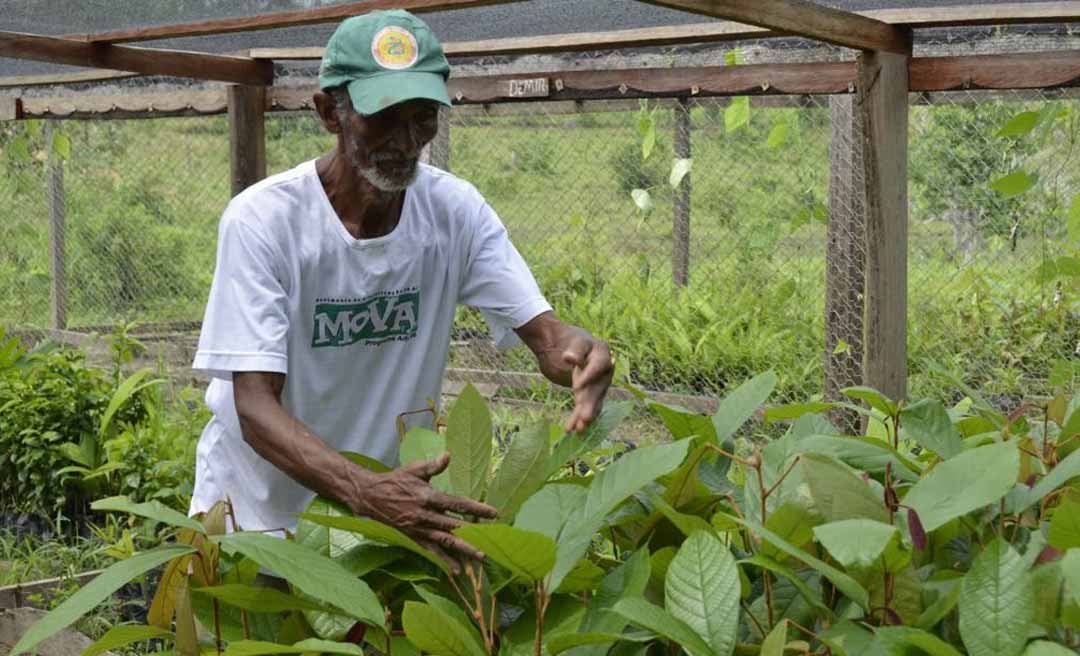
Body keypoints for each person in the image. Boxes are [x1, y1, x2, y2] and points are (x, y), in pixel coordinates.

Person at [188, 9, 614, 573]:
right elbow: (254, 406)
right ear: (328, 113)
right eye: (381, 117)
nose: (405, 141)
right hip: (256, 520)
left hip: (384, 522)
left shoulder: (454, 212)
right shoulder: (265, 222)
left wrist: (575, 354)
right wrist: (364, 490)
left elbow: (547, 335)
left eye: (422, 118)